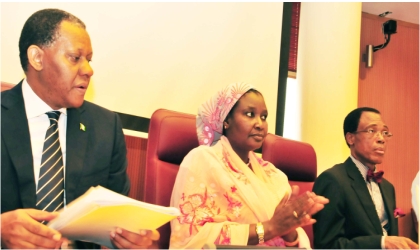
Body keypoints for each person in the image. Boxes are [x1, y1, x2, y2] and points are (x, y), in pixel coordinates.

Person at [1, 9, 158, 249]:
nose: (88, 70)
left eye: (89, 59)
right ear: (37, 58)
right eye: (75, 57)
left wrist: (137, 241)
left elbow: (121, 221)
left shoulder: (106, 127)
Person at [169, 82, 329, 249]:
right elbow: (191, 236)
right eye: (250, 114)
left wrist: (289, 230)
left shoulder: (274, 175)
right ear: (226, 121)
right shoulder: (203, 160)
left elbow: (289, 239)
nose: (260, 124)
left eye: (264, 117)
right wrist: (269, 228)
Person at [312, 107, 419, 249]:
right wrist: (381, 243)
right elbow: (327, 245)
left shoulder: (388, 187)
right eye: (371, 131)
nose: (381, 139)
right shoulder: (333, 180)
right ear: (351, 138)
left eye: (385, 133)